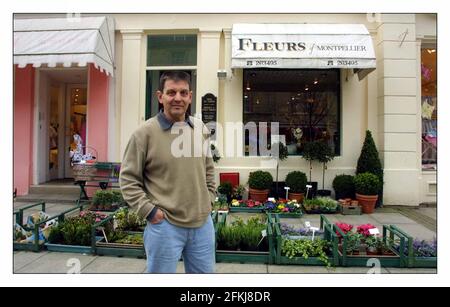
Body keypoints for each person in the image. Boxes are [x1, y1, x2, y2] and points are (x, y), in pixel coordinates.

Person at [120, 71, 216, 273]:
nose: (177, 98)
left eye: (183, 92)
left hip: (202, 225)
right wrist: (150, 212)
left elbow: (208, 168)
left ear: (190, 96)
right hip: (165, 226)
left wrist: (210, 200)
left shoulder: (200, 129)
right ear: (160, 96)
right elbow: (128, 180)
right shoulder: (143, 134)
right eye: (171, 92)